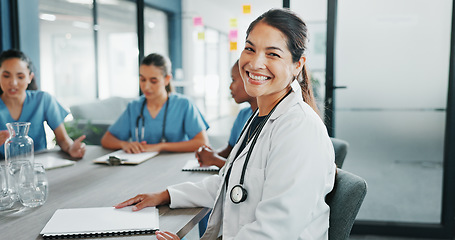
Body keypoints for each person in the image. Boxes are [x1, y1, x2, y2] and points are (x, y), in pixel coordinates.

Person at [115, 8, 336, 240]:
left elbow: (276, 231)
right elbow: (232, 184)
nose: (255, 62)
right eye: (250, 49)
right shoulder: (261, 117)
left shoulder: (299, 129)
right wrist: (166, 195)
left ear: (297, 64)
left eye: (272, 54)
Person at [101, 53, 209, 153]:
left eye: (153, 81)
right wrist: (124, 144)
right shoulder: (134, 107)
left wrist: (161, 146)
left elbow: (202, 142)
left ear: (167, 79)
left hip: (175, 166)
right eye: (142, 80)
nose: (146, 86)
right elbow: (107, 139)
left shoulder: (184, 104)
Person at [0, 49, 86, 159]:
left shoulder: (43, 100)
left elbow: (63, 140)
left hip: (39, 166)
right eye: (6, 76)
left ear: (30, 78)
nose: (13, 83)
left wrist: (71, 148)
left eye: (20, 77)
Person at [196, 60, 257, 169]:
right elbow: (230, 149)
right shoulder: (243, 114)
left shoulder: (264, 120)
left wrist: (214, 160)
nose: (230, 87)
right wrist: (211, 154)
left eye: (233, 80)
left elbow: (248, 172)